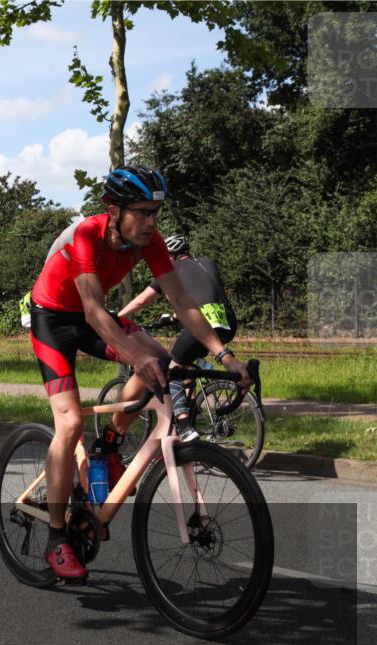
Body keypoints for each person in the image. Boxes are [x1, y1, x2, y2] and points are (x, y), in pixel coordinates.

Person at [28, 166, 250, 581]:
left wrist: (224, 355)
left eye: (156, 213)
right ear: (114, 210)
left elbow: (184, 303)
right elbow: (93, 311)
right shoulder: (86, 236)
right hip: (54, 320)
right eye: (143, 212)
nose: (152, 222)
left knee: (159, 361)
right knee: (71, 421)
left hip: (92, 317)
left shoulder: (151, 243)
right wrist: (133, 355)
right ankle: (57, 539)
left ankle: (109, 443)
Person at [118, 235, 238, 441]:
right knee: (187, 364)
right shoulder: (206, 262)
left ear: (170, 256)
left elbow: (140, 301)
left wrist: (115, 318)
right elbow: (204, 296)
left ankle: (183, 422)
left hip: (202, 324)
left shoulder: (171, 270)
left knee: (172, 368)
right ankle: (192, 407)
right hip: (228, 322)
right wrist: (174, 316)